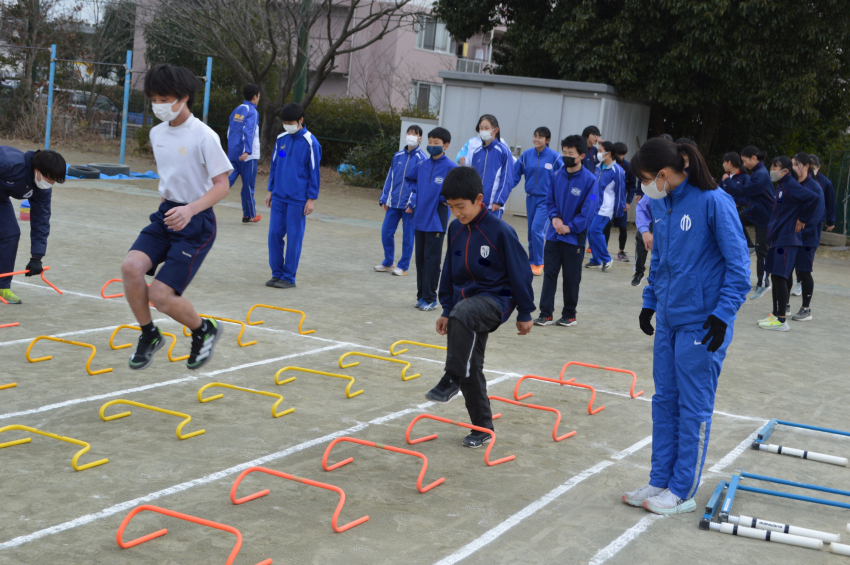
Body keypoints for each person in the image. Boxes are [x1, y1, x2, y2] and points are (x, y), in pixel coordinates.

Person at [624, 138, 750, 515]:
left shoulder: (713, 202)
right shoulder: (661, 204)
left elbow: (739, 268)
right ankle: (659, 479)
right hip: (669, 320)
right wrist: (650, 302)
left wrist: (722, 314)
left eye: (645, 179)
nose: (644, 188)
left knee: (692, 408)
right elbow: (659, 259)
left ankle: (682, 490)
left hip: (702, 324)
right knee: (664, 402)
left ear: (662, 174)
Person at [121, 63, 232, 370]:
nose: (159, 105)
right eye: (153, 98)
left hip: (196, 222)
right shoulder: (157, 133)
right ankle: (149, 334)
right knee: (131, 267)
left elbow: (222, 186)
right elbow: (171, 178)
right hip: (166, 214)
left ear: (184, 98)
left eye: (164, 97)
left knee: (160, 295)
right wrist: (168, 208)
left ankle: (203, 330)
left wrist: (190, 209)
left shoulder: (204, 136)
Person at [423, 166, 535, 448]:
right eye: (451, 207)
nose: (457, 213)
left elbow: (521, 271)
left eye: (461, 206)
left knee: (464, 314)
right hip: (464, 307)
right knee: (471, 366)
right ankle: (482, 428)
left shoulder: (500, 231)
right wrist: (446, 308)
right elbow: (448, 269)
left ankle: (450, 377)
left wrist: (525, 311)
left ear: (479, 199)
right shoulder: (455, 229)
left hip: (496, 300)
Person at [534, 135, 599, 327]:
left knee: (571, 279)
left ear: (581, 155)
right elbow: (549, 200)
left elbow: (590, 208)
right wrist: (555, 219)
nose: (566, 156)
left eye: (570, 153)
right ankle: (545, 314)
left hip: (574, 239)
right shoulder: (556, 176)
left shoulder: (590, 181)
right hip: (554, 235)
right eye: (564, 152)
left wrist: (570, 227)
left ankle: (569, 315)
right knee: (550, 275)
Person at [758, 156, 819, 331]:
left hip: (787, 239)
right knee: (776, 276)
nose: (771, 170)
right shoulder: (781, 186)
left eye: (774, 167)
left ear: (785, 170)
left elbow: (813, 199)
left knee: (780, 277)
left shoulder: (791, 184)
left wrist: (803, 219)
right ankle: (776, 315)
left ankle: (782, 320)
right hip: (778, 238)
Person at [265, 103, 322, 289]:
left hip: (298, 199)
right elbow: (274, 166)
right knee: (274, 234)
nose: (287, 125)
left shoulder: (311, 143)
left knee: (294, 238)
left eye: (290, 122)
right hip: (279, 196)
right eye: (285, 122)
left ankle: (289, 277)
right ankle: (276, 274)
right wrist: (270, 190)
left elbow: (314, 172)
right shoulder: (281, 138)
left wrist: (311, 199)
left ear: (301, 121)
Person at [0, 147, 66, 304]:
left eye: (53, 182)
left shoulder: (42, 190)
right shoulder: (8, 163)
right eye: (48, 179)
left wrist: (37, 256)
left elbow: (41, 220)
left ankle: (2, 287)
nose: (49, 184)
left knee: (11, 234)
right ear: (37, 169)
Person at [405, 127, 456, 311]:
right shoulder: (422, 165)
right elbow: (410, 179)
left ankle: (431, 298)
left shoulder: (451, 167)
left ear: (446, 145)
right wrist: (417, 193)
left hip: (436, 220)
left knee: (432, 260)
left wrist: (445, 199)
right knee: (420, 260)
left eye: (436, 143)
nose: (432, 146)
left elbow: (458, 189)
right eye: (430, 142)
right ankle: (421, 296)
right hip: (420, 218)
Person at [720, 146, 774, 300]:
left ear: (754, 158)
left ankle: (763, 283)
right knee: (732, 220)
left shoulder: (760, 174)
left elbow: (746, 191)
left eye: (745, 161)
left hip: (763, 215)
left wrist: (729, 183)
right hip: (754, 211)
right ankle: (747, 246)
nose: (744, 164)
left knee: (762, 250)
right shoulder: (757, 173)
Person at [374, 125, 427, 276]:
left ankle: (403, 266)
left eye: (414, 133)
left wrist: (413, 202)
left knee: (408, 236)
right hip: (393, 203)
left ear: (420, 138)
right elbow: (389, 178)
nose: (410, 135)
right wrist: (385, 198)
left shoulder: (422, 159)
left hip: (409, 206)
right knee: (386, 232)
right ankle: (388, 262)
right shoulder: (397, 156)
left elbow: (421, 184)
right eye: (409, 133)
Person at [515, 127, 562, 276]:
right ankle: (531, 261)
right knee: (531, 232)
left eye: (540, 137)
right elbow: (515, 174)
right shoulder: (526, 155)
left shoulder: (555, 157)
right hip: (530, 198)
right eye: (535, 136)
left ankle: (539, 262)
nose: (536, 139)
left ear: (547, 140)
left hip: (546, 200)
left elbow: (564, 177)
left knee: (537, 229)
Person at [787, 152, 824, 322]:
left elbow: (816, 217)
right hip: (789, 237)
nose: (793, 167)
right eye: (792, 164)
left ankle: (806, 308)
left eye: (796, 164)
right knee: (786, 271)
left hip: (807, 239)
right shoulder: (792, 184)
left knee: (804, 271)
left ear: (806, 166)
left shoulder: (815, 188)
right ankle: (783, 305)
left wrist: (801, 229)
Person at [586, 141, 625, 271]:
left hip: (605, 208)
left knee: (595, 231)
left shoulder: (617, 171)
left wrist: (618, 211)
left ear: (608, 153)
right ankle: (596, 260)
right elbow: (594, 189)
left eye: (601, 150)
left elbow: (620, 193)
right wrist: (590, 201)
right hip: (594, 206)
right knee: (590, 232)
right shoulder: (598, 167)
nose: (598, 153)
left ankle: (606, 258)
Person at [226, 84, 261, 223]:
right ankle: (250, 214)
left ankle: (203, 204)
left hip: (233, 153)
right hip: (248, 156)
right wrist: (247, 150)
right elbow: (249, 130)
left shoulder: (237, 109)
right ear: (254, 97)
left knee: (225, 182)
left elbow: (230, 130)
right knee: (248, 185)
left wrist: (232, 150)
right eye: (259, 97)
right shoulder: (252, 111)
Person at [470, 115, 513, 219]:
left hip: (493, 206)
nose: (483, 131)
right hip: (477, 205)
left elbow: (507, 179)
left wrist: (498, 201)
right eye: (481, 128)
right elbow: (471, 179)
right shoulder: (477, 153)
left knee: (490, 235)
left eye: (486, 128)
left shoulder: (504, 151)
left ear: (495, 130)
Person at [612, 142, 637, 262]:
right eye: (617, 154)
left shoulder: (628, 167)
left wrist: (628, 202)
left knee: (623, 227)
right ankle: (601, 251)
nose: (619, 157)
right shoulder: (607, 165)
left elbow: (632, 186)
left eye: (622, 155)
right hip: (608, 202)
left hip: (621, 203)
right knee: (605, 226)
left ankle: (621, 251)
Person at [632, 191, 652, 286]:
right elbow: (593, 196)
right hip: (599, 209)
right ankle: (639, 271)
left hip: (605, 210)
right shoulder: (596, 176)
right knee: (641, 240)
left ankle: (653, 277)